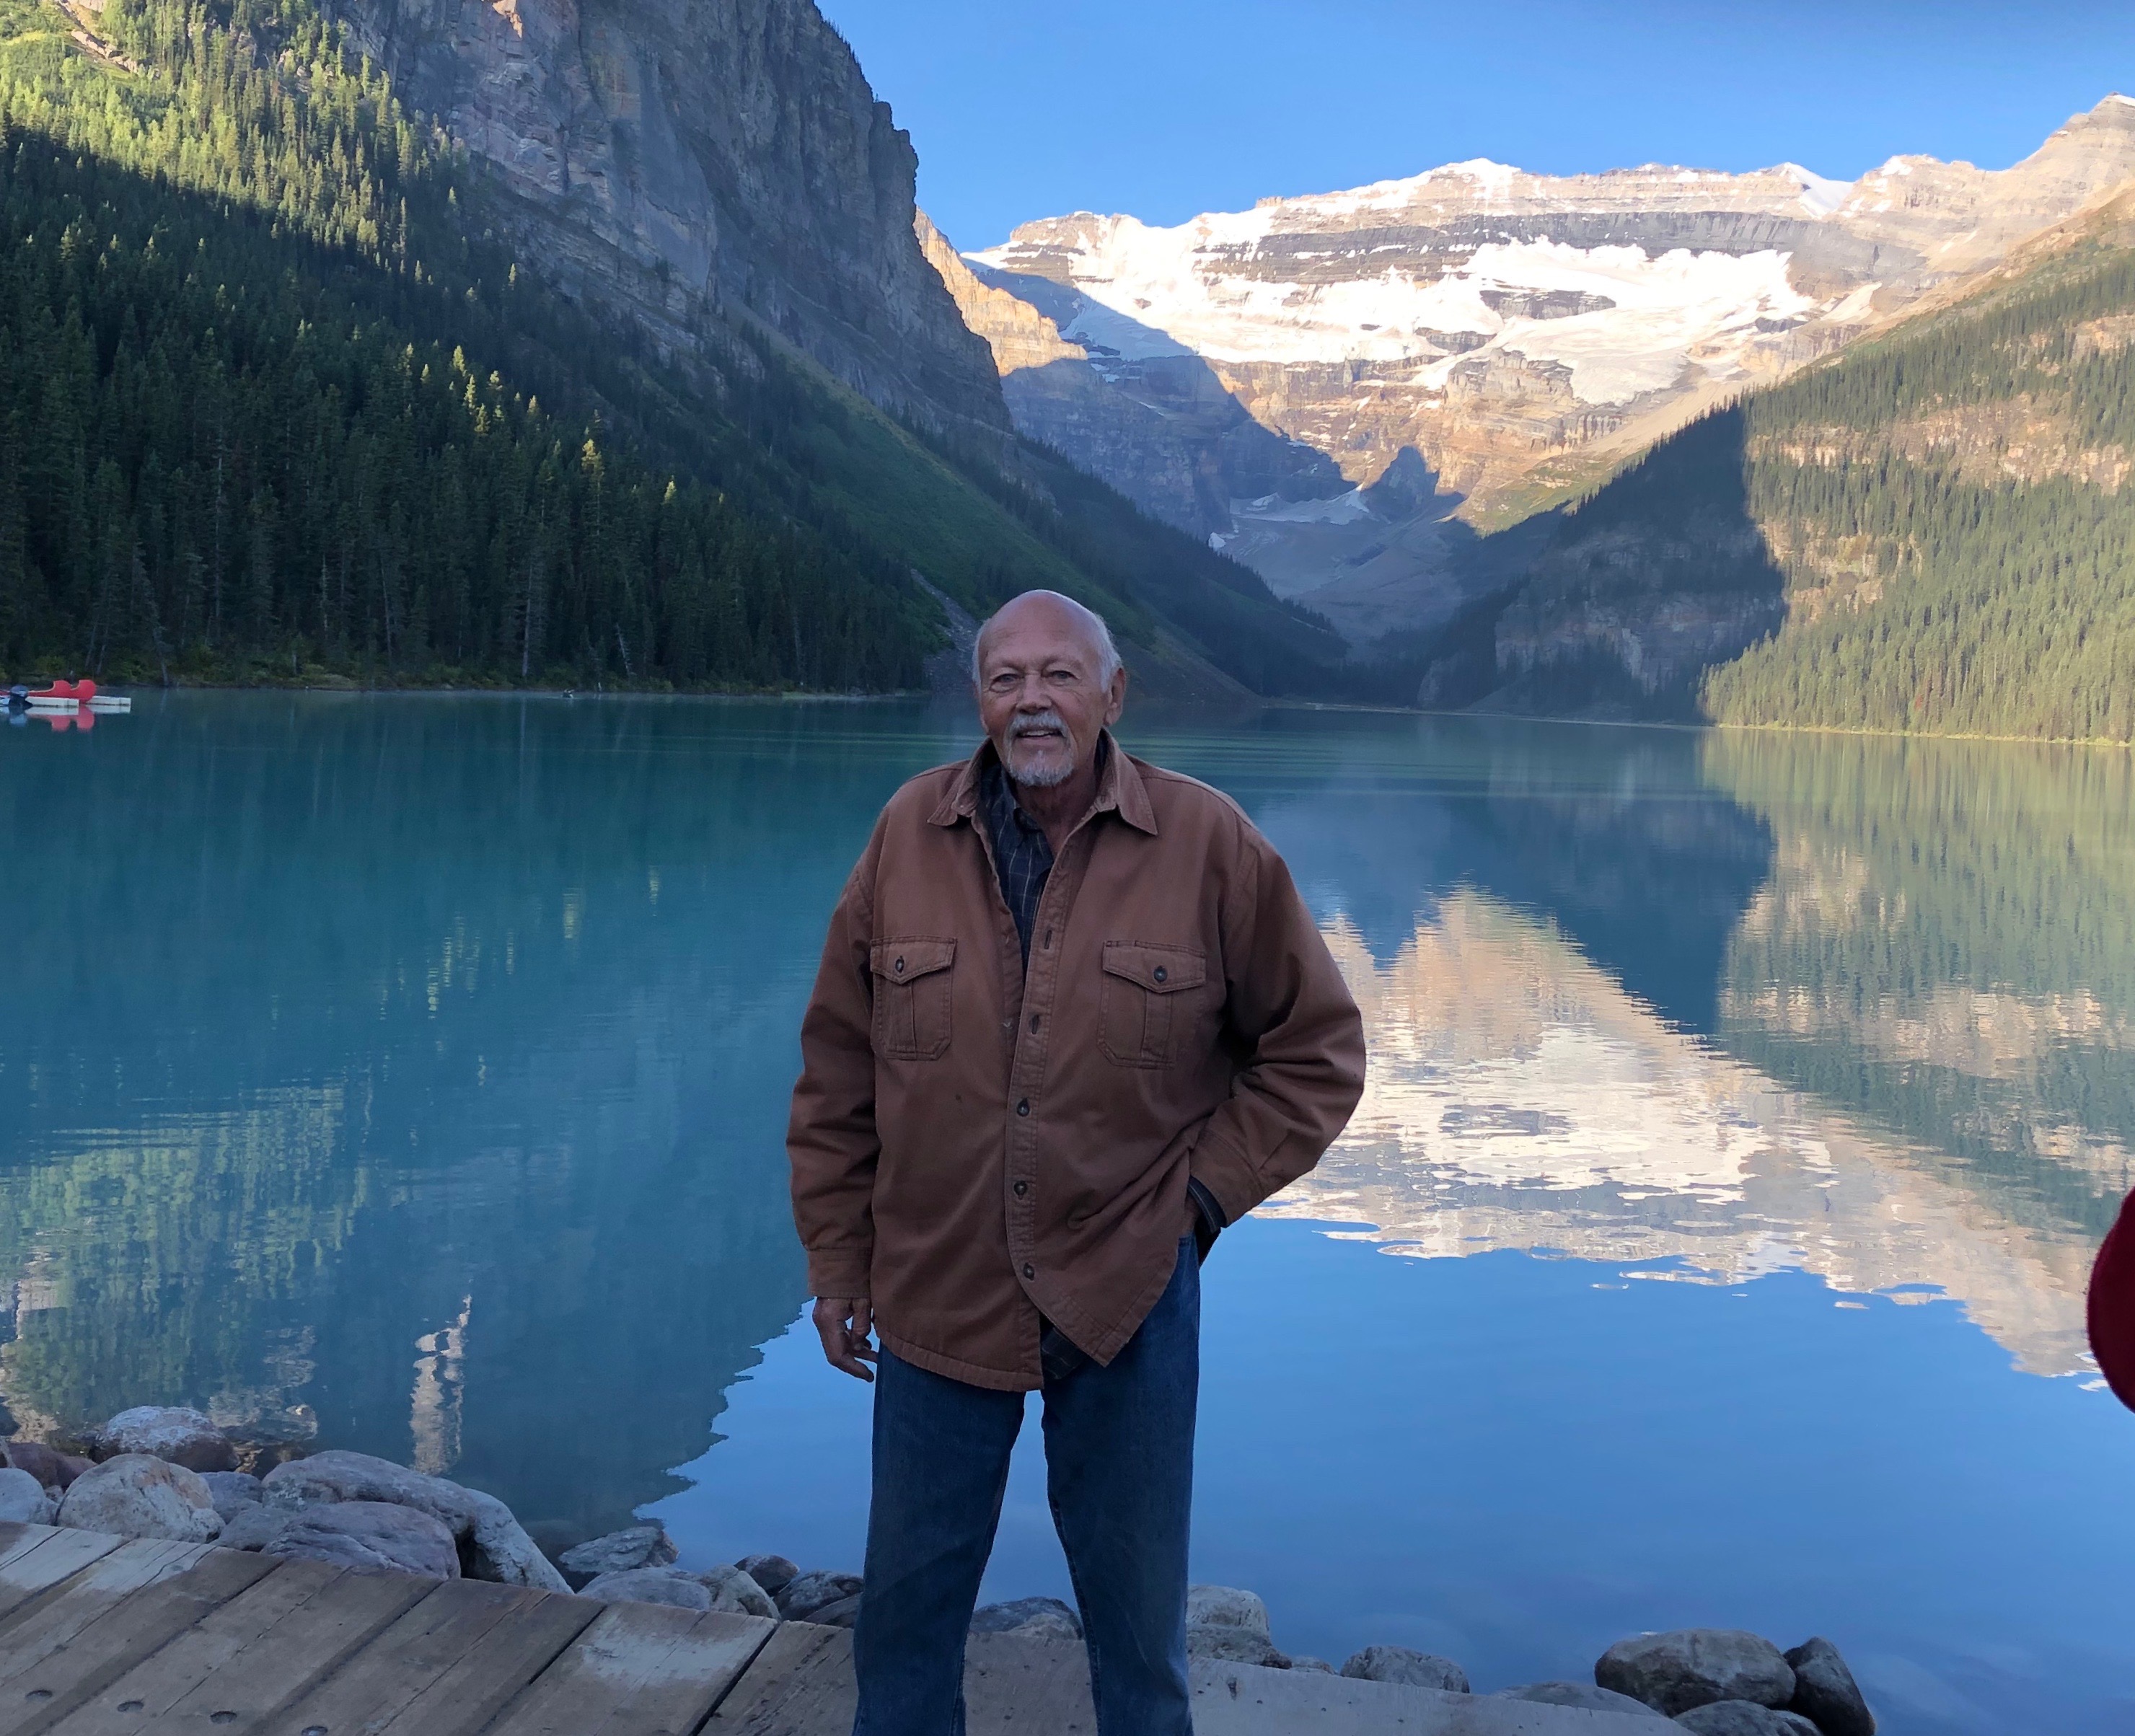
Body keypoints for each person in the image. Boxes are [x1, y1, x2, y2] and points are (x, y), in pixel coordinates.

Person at [787, 589, 1367, 1735]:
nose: (1032, 702)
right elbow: (838, 1070)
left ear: (1114, 694)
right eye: (1007, 678)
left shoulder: (1208, 844)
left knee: (1139, 1631)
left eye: (1059, 675)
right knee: (903, 1620)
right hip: (937, 1286)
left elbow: (1317, 1054)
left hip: (1129, 1292)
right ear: (979, 699)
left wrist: (1197, 1200)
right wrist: (839, 1263)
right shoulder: (906, 834)